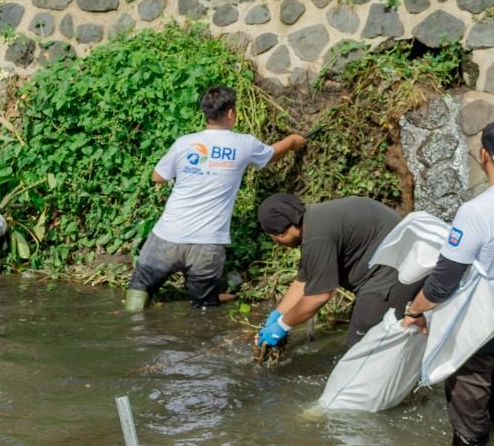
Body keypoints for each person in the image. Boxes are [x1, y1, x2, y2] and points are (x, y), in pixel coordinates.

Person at [400, 117, 494, 446]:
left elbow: (442, 284)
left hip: (482, 327)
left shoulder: (476, 211)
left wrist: (414, 310)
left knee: (469, 398)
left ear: (485, 155)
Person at [125, 86, 303, 311]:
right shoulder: (244, 144)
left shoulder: (185, 143)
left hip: (167, 237)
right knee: (204, 311)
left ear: (206, 113)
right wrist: (293, 141)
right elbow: (272, 154)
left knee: (140, 286)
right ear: (231, 114)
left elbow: (158, 177)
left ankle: (130, 327)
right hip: (207, 246)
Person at [254, 193, 422, 349]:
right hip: (406, 263)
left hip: (395, 274)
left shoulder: (316, 238)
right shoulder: (315, 220)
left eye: (272, 237)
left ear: (280, 233)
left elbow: (318, 297)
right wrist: (276, 316)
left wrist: (282, 326)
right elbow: (302, 282)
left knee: (360, 351)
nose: (276, 242)